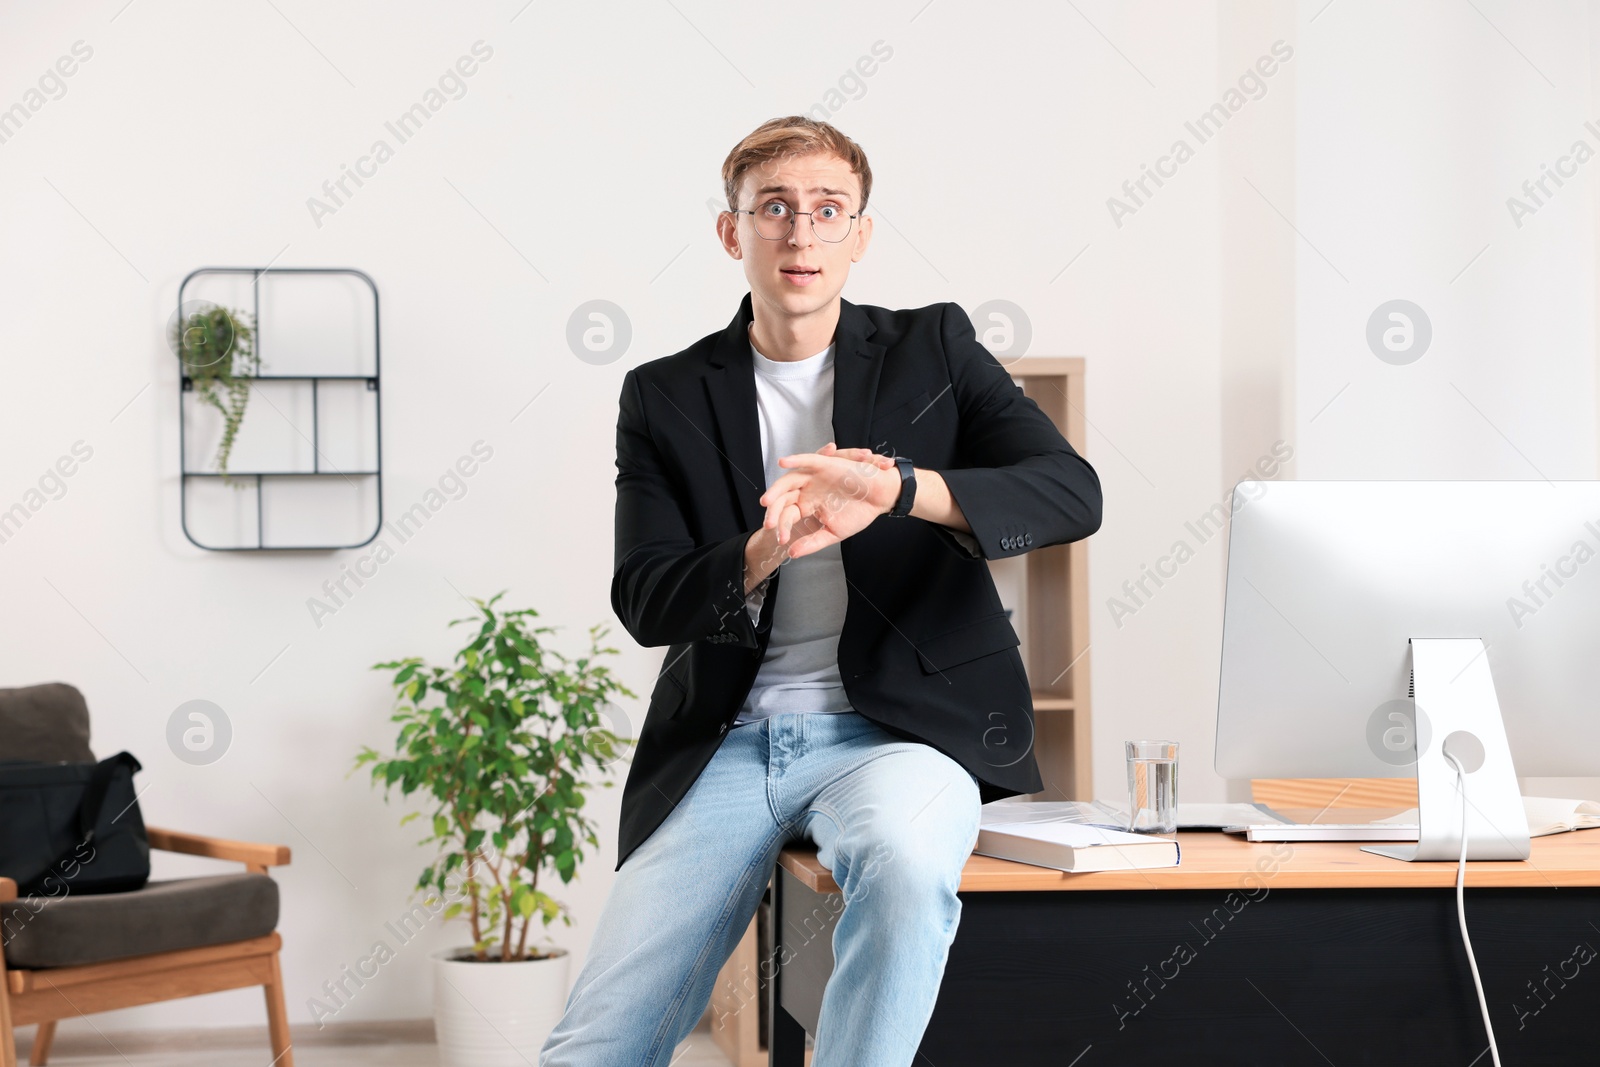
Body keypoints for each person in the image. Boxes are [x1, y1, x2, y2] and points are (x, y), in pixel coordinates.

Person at [540, 115, 1102, 1066]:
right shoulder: (664, 393)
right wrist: (761, 550)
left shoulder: (936, 349)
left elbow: (1069, 492)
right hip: (727, 742)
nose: (802, 233)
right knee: (596, 1044)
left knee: (906, 864)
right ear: (733, 232)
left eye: (827, 210)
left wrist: (901, 491)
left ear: (860, 234)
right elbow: (644, 598)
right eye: (775, 209)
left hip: (899, 737)